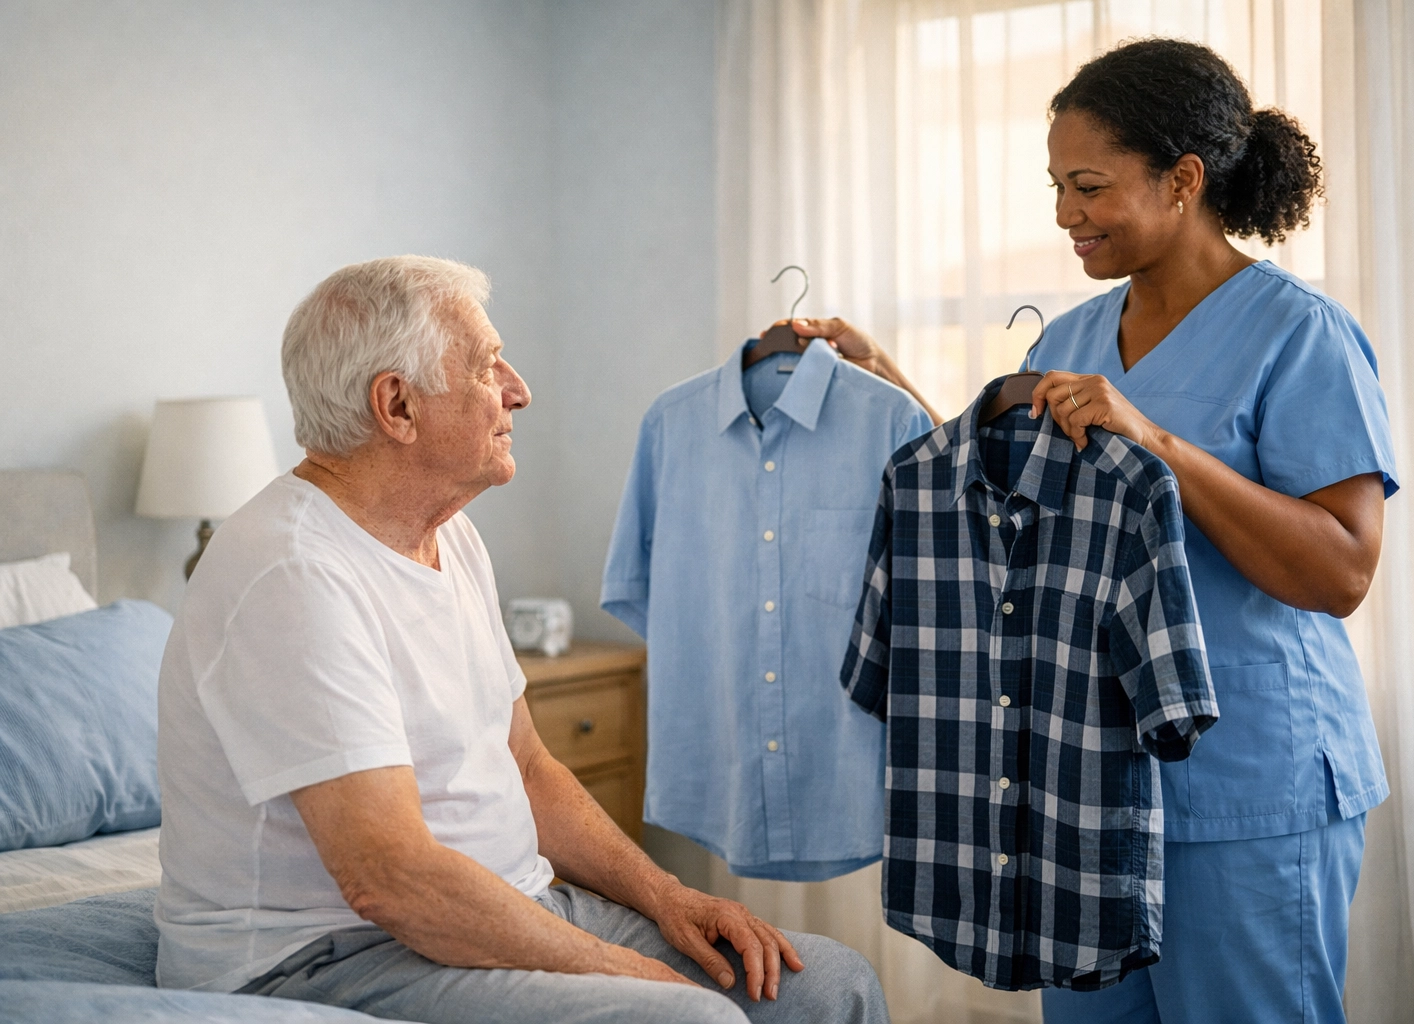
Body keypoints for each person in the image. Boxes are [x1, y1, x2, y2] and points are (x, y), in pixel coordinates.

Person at [780, 38, 1395, 1024]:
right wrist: (886, 377)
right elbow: (1008, 504)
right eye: (1058, 185)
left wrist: (1157, 442)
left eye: (1091, 186)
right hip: (1087, 791)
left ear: (1182, 180)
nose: (1066, 213)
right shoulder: (1069, 339)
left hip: (1249, 788)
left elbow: (1345, 570)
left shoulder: (1298, 333)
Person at [154, 255, 890, 1024]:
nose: (518, 390)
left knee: (832, 984)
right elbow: (390, 879)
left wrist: (670, 900)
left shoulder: (452, 536)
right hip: (327, 954)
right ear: (396, 405)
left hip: (514, 901)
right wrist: (628, 972)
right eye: (485, 367)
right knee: (691, 1019)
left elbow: (529, 767)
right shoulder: (292, 573)